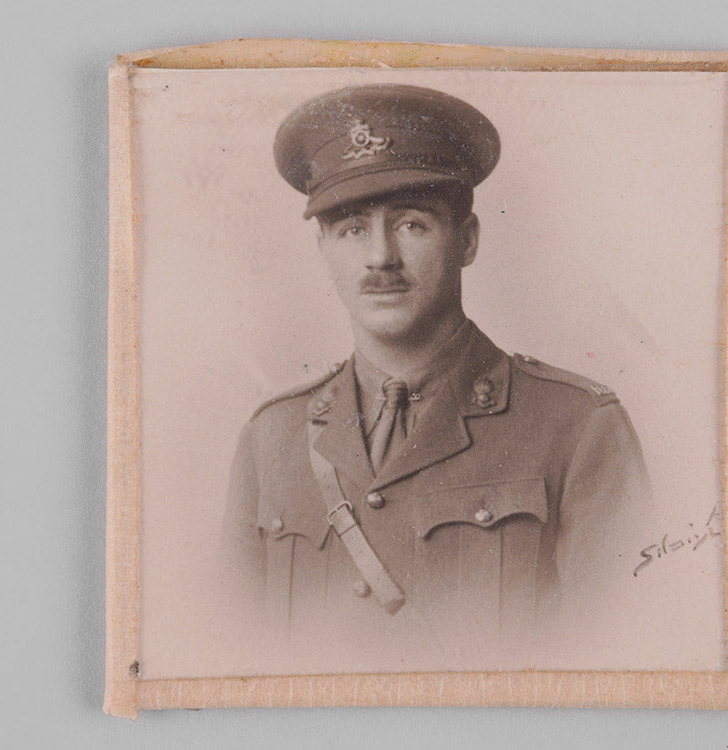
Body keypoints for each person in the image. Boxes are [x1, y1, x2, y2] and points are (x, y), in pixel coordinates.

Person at [223, 84, 651, 672]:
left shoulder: (577, 428)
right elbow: (234, 658)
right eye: (351, 229)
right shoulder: (272, 437)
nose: (380, 258)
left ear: (467, 240)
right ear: (323, 248)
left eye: (412, 224)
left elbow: (622, 659)